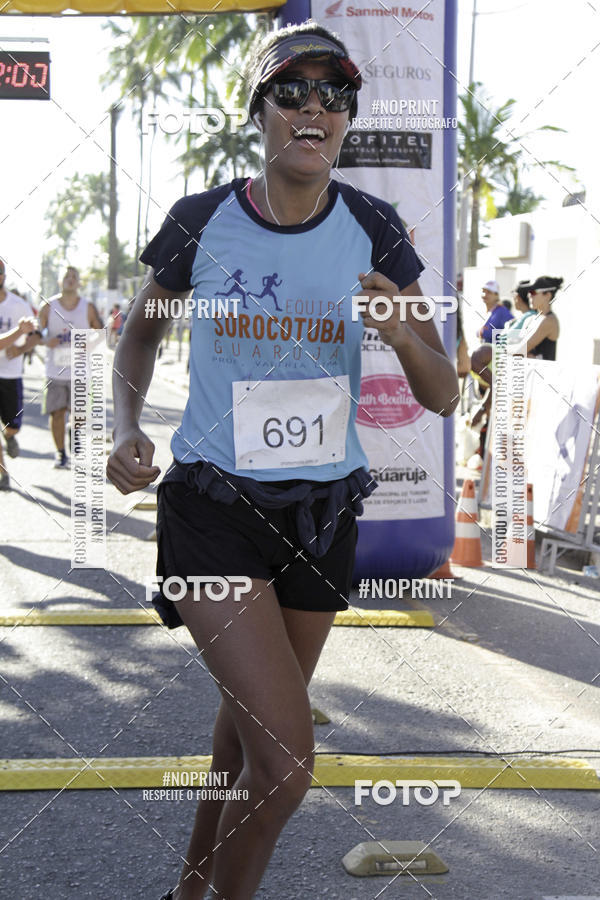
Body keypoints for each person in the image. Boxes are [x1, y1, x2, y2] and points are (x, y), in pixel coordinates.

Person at [106, 22, 458, 900]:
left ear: (347, 118)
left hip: (322, 513)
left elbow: (444, 390)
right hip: (214, 510)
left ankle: (188, 888)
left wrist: (400, 339)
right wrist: (122, 423)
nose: (314, 108)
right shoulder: (202, 221)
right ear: (259, 111)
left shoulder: (375, 228)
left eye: (334, 94)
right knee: (291, 765)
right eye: (292, 92)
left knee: (243, 741)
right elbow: (139, 334)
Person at [35, 266, 103, 468]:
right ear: (60, 281)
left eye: (74, 276)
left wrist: (90, 344)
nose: (70, 280)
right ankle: (60, 453)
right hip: (55, 371)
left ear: (79, 282)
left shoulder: (87, 307)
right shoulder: (47, 306)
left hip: (81, 371)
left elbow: (101, 331)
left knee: (79, 414)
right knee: (57, 413)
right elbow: (37, 335)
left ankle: (75, 429)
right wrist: (47, 341)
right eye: (66, 276)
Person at [0, 260, 38, 489]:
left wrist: (22, 347)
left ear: (3, 277)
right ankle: (3, 473)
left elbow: (36, 335)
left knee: (12, 425)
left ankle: (9, 436)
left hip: (11, 376)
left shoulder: (19, 305)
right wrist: (17, 332)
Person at [521, 275, 562, 360]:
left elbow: (520, 350)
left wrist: (497, 349)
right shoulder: (530, 319)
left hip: (543, 372)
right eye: (528, 292)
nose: (529, 295)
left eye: (533, 292)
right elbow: (517, 347)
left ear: (547, 295)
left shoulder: (549, 321)